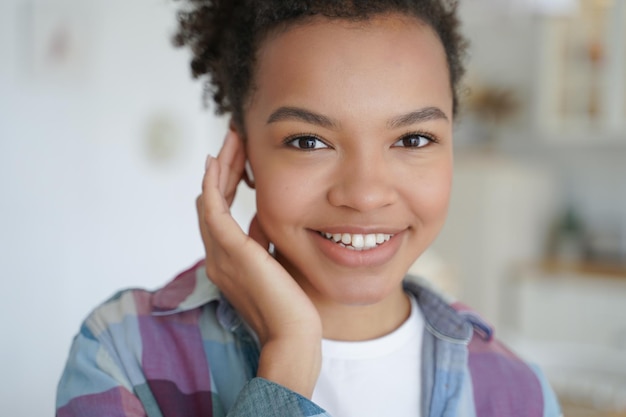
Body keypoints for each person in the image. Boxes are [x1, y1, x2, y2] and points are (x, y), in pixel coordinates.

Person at [56, 1, 562, 416]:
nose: (364, 195)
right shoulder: (124, 353)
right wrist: (289, 357)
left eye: (412, 138)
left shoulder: (519, 394)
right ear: (244, 152)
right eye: (307, 141)